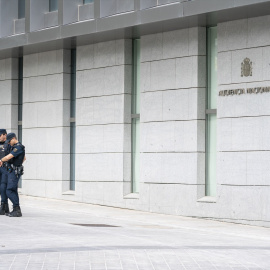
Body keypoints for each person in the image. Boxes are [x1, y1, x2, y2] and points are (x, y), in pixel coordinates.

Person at [0, 133, 26, 217]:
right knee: (13, 190)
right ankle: (15, 210)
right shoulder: (15, 147)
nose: (8, 143)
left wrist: (1, 160)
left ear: (14, 138)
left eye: (9, 141)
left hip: (14, 172)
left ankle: (17, 209)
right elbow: (24, 158)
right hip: (13, 170)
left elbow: (8, 157)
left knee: (9, 190)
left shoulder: (18, 147)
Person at [0, 129, 10, 215]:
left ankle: (3, 205)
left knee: (3, 185)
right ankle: (5, 206)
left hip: (5, 168)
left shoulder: (9, 143)